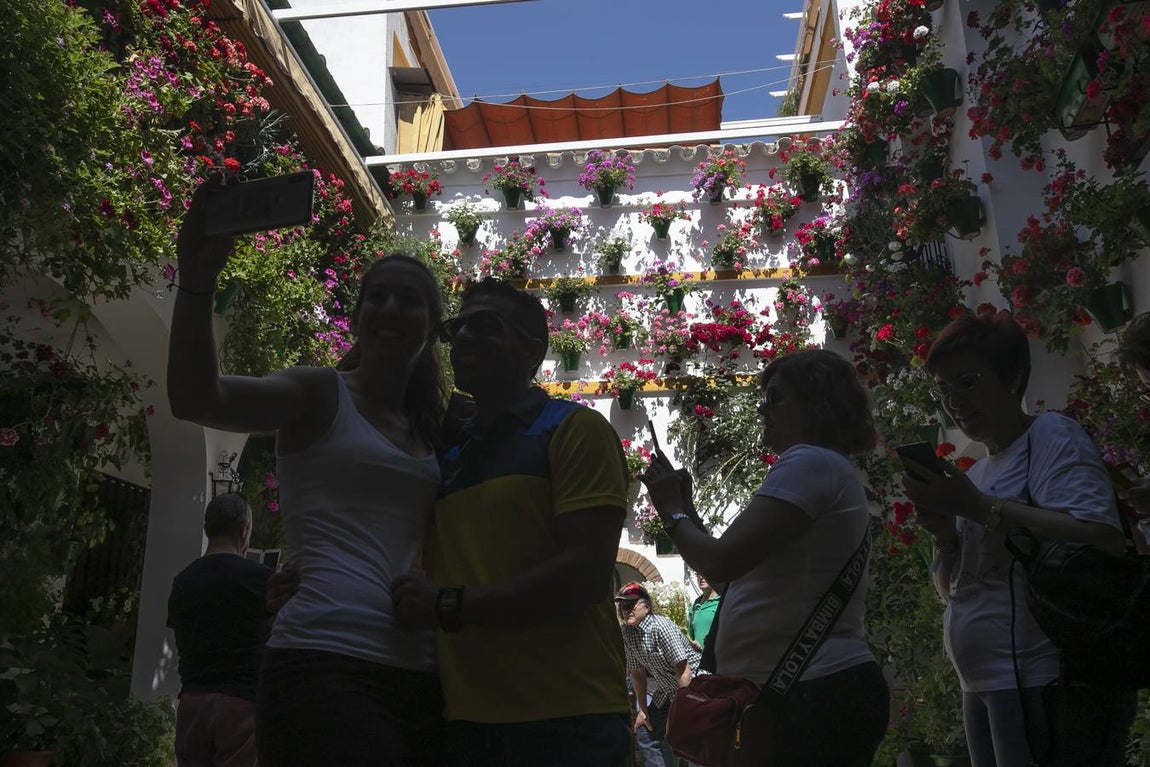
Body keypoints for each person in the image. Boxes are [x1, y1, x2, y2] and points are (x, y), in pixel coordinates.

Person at [168, 180, 446, 766]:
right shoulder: (317, 393)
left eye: (410, 299)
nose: (391, 308)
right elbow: (198, 396)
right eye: (379, 296)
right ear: (358, 315)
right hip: (321, 655)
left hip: (419, 666)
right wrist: (196, 281)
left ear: (434, 324)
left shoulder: (436, 427)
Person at [392, 278, 632, 767]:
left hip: (569, 720)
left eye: (484, 326)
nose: (461, 339)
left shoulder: (574, 430)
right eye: (457, 328)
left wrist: (450, 605)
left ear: (533, 351)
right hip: (464, 722)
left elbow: (584, 575)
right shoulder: (444, 455)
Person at [903, 312, 1135, 767]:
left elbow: (1101, 539)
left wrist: (975, 508)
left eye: (967, 382)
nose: (954, 401)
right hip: (984, 685)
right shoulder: (980, 470)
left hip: (1043, 681)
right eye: (944, 389)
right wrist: (946, 536)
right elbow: (954, 591)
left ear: (1011, 378)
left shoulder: (1050, 435)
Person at [641, 348, 889, 767]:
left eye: (776, 399)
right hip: (808, 690)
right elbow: (733, 582)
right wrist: (688, 511)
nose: (763, 410)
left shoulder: (809, 461)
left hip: (811, 693)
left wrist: (671, 512)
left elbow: (720, 563)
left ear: (817, 404)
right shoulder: (825, 467)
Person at [167, 493, 271, 767]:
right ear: (244, 529)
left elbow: (180, 638)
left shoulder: (183, 581)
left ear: (207, 529)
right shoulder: (262, 580)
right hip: (241, 705)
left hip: (192, 703)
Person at [616, 582, 700, 767]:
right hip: (667, 690)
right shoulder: (627, 632)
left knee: (693, 742)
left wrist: (678, 714)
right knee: (645, 733)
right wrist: (643, 711)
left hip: (695, 689)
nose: (625, 609)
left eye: (631, 604)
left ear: (647, 606)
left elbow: (685, 673)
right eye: (622, 605)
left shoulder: (661, 626)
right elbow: (637, 673)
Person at [686, 573, 720, 654]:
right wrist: (692, 643)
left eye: (703, 573)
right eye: (698, 574)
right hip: (699, 660)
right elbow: (690, 635)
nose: (701, 577)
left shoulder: (721, 602)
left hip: (717, 660)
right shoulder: (694, 606)